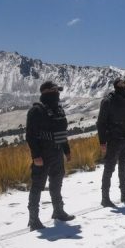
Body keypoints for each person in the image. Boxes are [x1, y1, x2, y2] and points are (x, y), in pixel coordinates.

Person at [25, 81, 75, 230]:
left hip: (57, 152)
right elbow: (30, 135)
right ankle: (33, 220)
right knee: (38, 185)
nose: (57, 93)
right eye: (54, 91)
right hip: (43, 154)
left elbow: (62, 133)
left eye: (58, 91)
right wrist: (36, 155)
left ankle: (58, 211)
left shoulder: (59, 110)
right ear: (45, 92)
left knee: (56, 183)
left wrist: (67, 150)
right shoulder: (36, 110)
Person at [97, 78, 125, 207]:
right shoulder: (108, 101)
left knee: (124, 167)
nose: (124, 85)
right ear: (116, 85)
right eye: (122, 84)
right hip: (113, 139)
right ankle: (105, 198)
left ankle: (124, 194)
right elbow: (101, 123)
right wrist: (102, 141)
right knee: (109, 168)